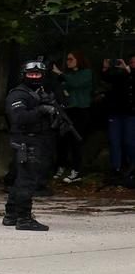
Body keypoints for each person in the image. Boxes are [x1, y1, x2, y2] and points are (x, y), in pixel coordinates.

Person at [4, 60, 55, 232]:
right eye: (30, 74)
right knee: (27, 179)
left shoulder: (38, 93)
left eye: (37, 74)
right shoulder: (18, 94)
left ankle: (11, 215)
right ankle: (24, 218)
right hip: (25, 140)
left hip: (33, 139)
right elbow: (17, 117)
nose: (34, 77)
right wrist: (40, 111)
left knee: (21, 177)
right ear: (23, 75)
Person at [50, 52, 93, 182]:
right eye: (67, 59)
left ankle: (76, 170)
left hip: (80, 110)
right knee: (62, 139)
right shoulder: (68, 75)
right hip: (66, 110)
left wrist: (60, 74)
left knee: (76, 140)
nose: (68, 61)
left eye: (71, 59)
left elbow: (75, 83)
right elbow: (62, 88)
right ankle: (60, 167)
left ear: (78, 60)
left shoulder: (86, 73)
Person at [102, 57, 134, 186]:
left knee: (130, 141)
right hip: (115, 113)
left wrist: (129, 71)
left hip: (130, 113)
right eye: (130, 62)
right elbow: (108, 79)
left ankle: (132, 169)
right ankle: (117, 169)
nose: (131, 64)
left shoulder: (131, 76)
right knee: (114, 141)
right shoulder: (120, 76)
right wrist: (106, 68)